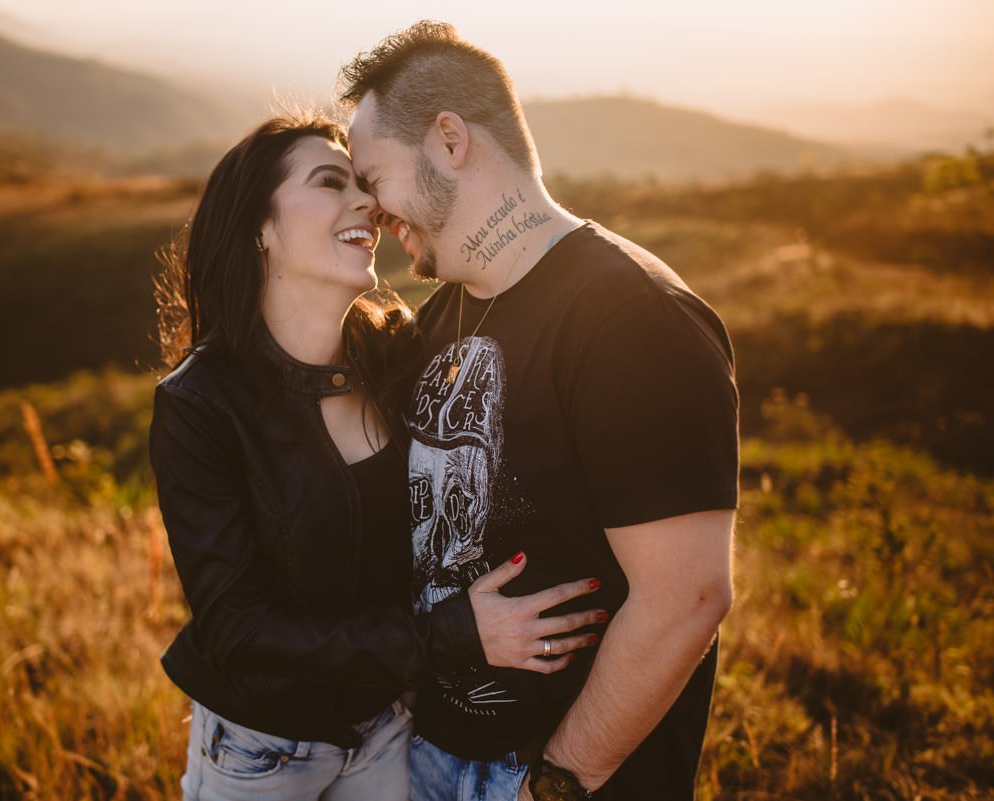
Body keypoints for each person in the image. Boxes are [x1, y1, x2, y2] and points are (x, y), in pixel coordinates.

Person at [149, 114, 606, 801]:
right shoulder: (199, 404)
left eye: (364, 184)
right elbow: (238, 629)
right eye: (330, 183)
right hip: (262, 745)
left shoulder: (395, 356)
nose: (365, 200)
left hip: (390, 727)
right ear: (259, 228)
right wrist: (450, 636)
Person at [339, 21, 739, 801]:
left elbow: (688, 598)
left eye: (373, 176)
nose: (371, 207)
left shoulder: (634, 318)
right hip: (425, 758)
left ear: (449, 140)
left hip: (554, 773)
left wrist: (552, 783)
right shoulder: (444, 314)